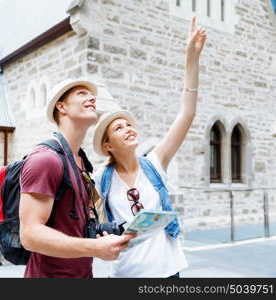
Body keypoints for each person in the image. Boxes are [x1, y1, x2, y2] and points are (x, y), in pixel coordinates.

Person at [92, 16, 207, 278]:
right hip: (125, 275)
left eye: (129, 124)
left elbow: (187, 113)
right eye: (119, 128)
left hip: (168, 272)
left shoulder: (155, 163)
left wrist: (192, 57)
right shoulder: (101, 179)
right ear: (107, 145)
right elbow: (90, 224)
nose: (128, 128)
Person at [19, 79, 136, 278]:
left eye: (92, 96)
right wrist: (93, 247)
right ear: (61, 106)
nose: (92, 97)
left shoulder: (81, 162)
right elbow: (30, 234)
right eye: (81, 93)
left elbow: (71, 224)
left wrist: (101, 238)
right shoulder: (46, 159)